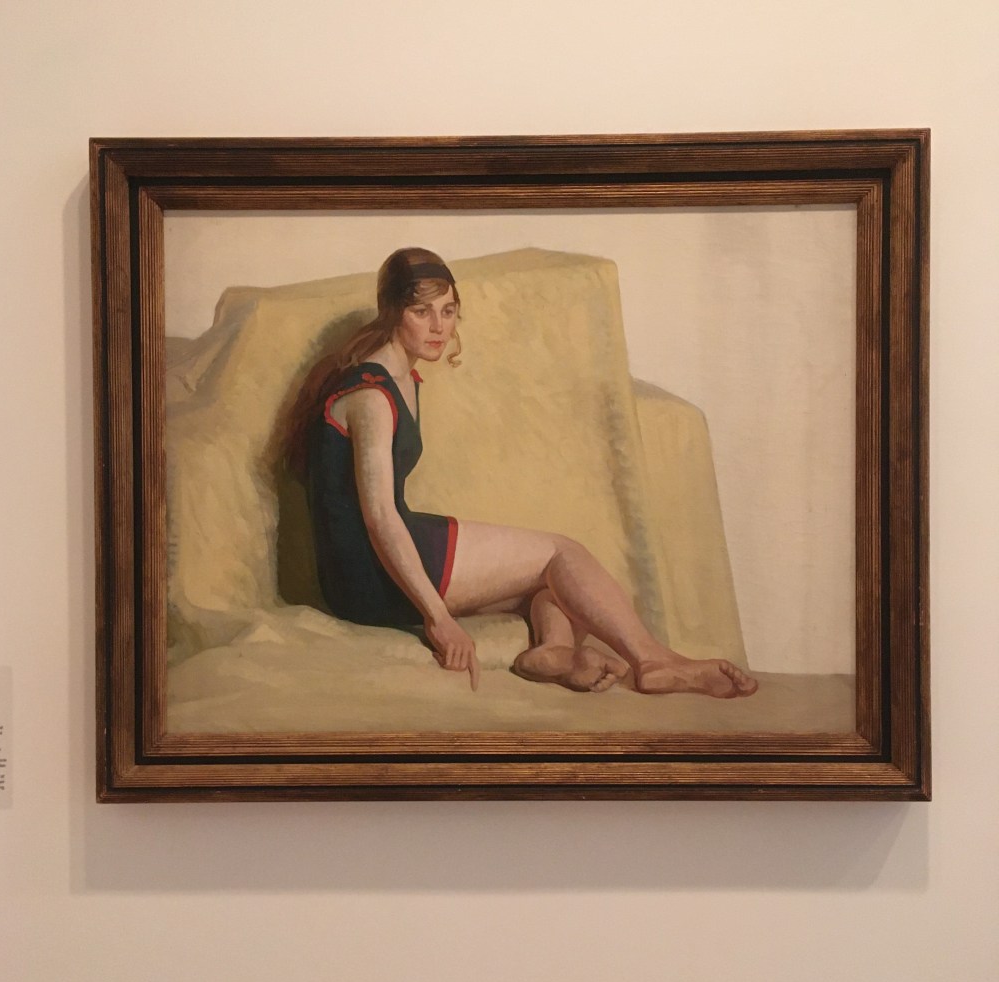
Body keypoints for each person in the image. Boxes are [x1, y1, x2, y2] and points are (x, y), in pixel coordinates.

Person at [282, 247, 758, 699]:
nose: (439, 327)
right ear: (392, 312)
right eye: (422, 312)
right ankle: (653, 661)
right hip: (369, 573)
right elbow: (380, 517)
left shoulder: (401, 375)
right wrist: (438, 618)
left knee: (553, 583)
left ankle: (553, 652)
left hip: (373, 563)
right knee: (560, 553)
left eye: (448, 311)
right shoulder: (371, 395)